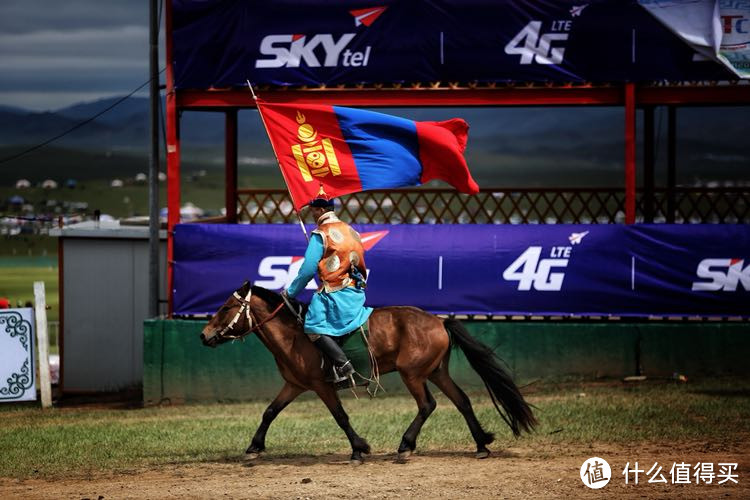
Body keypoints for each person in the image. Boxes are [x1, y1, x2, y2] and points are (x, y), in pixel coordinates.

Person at [282, 187, 372, 385]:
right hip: (356, 293)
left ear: (321, 211)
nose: (312, 213)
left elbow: (306, 271)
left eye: (314, 210)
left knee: (312, 326)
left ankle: (343, 366)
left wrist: (291, 292)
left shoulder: (320, 234)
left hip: (335, 295)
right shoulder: (351, 230)